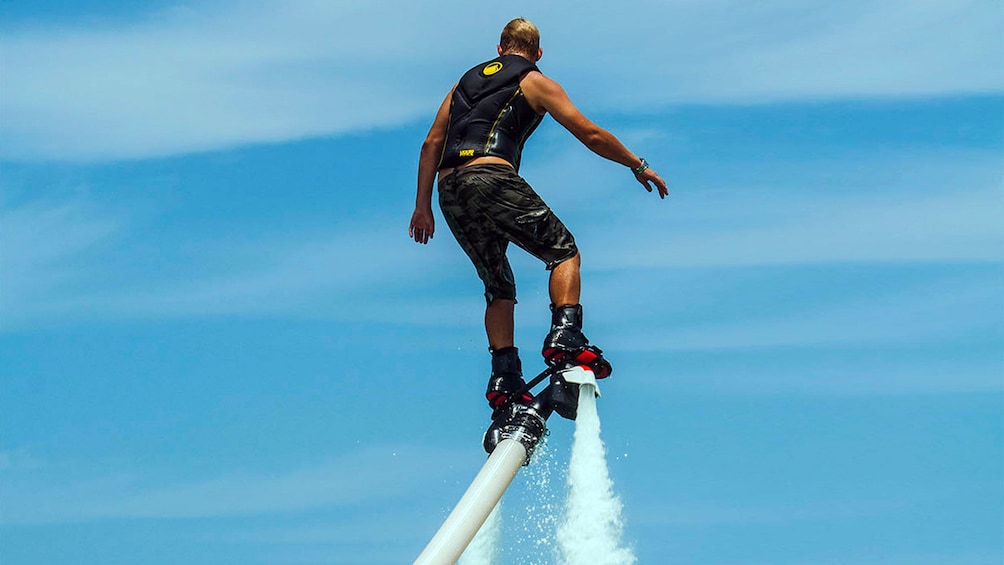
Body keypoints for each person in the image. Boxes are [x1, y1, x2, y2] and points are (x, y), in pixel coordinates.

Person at [408, 18, 667, 417]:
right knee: (563, 252)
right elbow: (590, 133)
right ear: (538, 52)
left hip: (449, 190)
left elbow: (431, 144)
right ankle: (564, 335)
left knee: (499, 285)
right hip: (491, 177)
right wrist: (637, 164)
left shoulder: (462, 85)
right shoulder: (533, 80)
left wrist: (422, 206)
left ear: (499, 48)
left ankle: (504, 379)